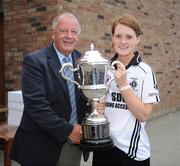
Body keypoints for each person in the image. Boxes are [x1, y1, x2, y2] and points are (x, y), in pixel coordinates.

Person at [10, 12, 104, 166]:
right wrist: (68, 131)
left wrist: (94, 105)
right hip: (41, 145)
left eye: (74, 32)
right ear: (53, 34)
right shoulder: (34, 61)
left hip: (73, 146)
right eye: (64, 31)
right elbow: (36, 106)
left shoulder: (83, 60)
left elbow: (85, 96)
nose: (69, 36)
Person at [93, 14, 160, 166]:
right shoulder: (104, 68)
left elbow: (143, 115)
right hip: (104, 147)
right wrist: (98, 107)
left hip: (132, 153)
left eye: (129, 37)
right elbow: (100, 106)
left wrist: (123, 85)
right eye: (118, 36)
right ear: (112, 38)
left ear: (138, 39)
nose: (123, 41)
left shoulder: (145, 72)